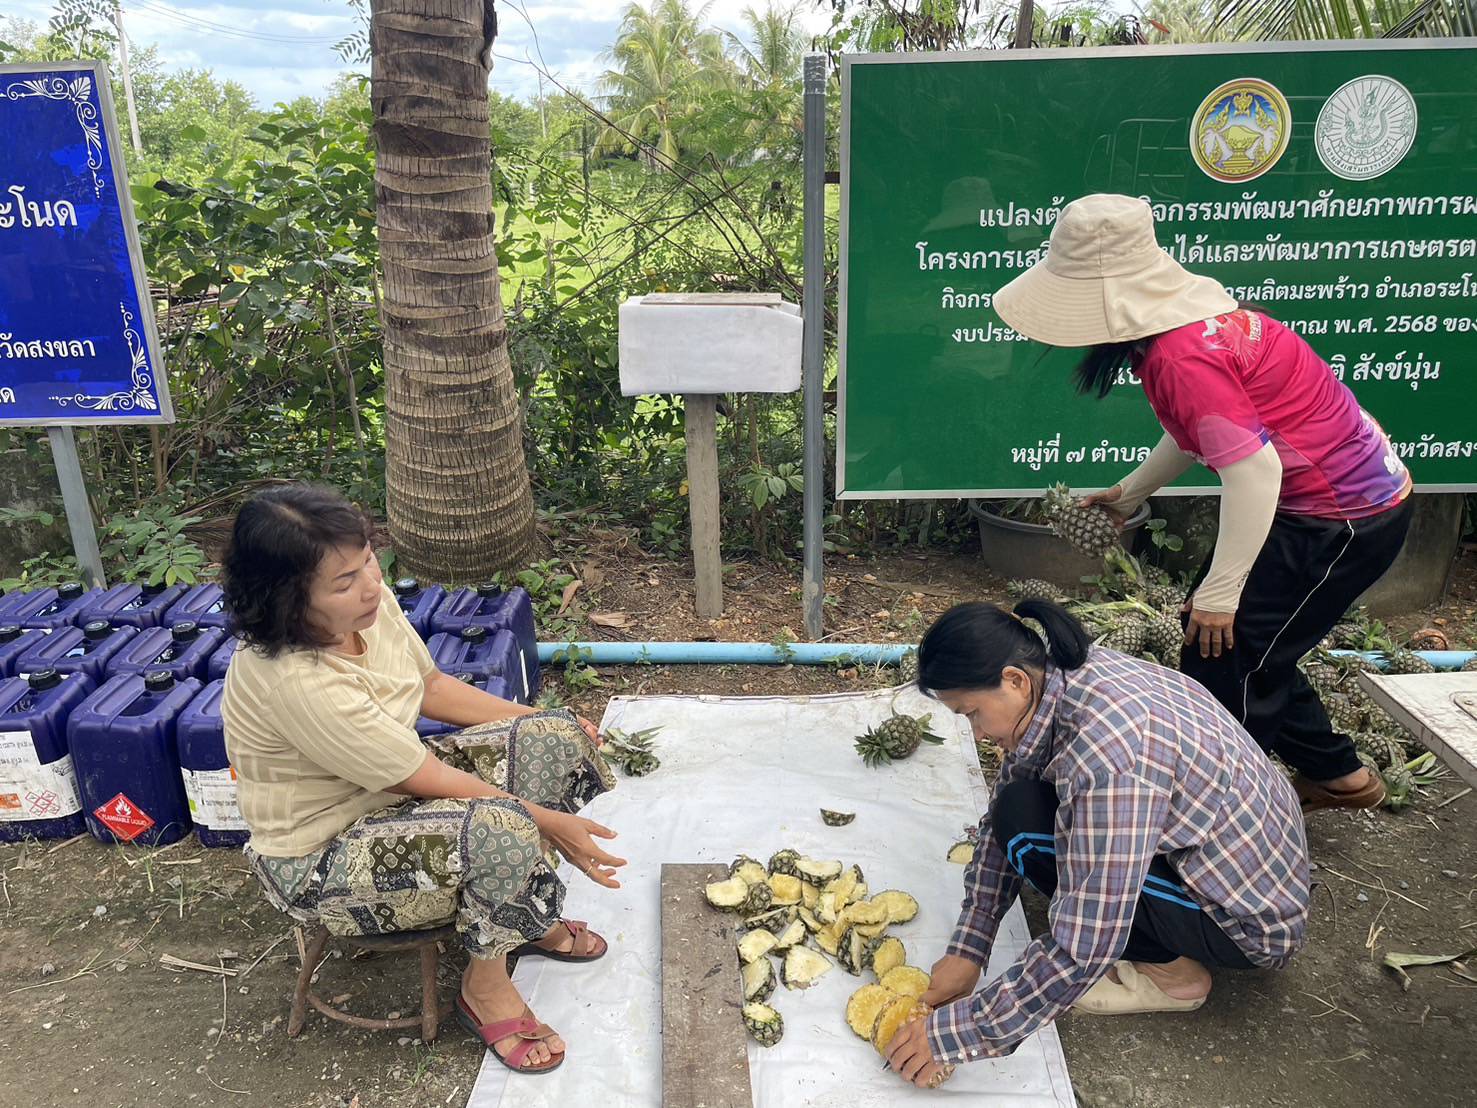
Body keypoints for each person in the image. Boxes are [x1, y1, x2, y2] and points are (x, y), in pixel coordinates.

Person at [991, 193, 1412, 813]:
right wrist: (1131, 492)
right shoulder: (1181, 335)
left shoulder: (1182, 357)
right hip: (1328, 504)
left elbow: (1254, 471)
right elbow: (1210, 429)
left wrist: (1221, 594)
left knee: (1226, 652)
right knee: (1237, 645)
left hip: (1337, 514)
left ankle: (1227, 813)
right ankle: (1340, 777)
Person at [220, 483, 623, 1075]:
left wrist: (543, 719)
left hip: (389, 787)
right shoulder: (297, 680)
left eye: (368, 563)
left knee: (554, 740)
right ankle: (484, 985)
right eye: (343, 581)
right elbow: (423, 774)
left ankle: (515, 912)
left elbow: (431, 687)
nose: (371, 585)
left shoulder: (367, 608)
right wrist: (548, 823)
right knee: (502, 829)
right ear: (286, 601)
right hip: (320, 854)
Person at [883, 600, 1310, 1090]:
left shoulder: (1108, 759)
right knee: (1016, 813)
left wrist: (954, 1035)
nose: (977, 733)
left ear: (1015, 680)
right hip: (1230, 851)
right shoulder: (1063, 674)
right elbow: (1006, 802)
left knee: (1053, 866)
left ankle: (1176, 978)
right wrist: (971, 946)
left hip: (1246, 919)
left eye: (973, 714)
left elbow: (1085, 945)